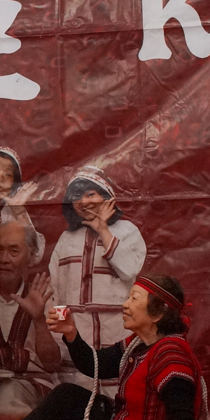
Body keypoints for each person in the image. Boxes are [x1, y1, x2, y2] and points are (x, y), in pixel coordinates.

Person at [0, 274, 210, 420]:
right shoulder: (137, 343)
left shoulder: (171, 356)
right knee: (67, 395)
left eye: (134, 299)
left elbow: (182, 418)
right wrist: (71, 334)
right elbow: (95, 365)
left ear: (158, 313)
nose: (125, 305)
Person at [47, 166, 147, 397]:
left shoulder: (127, 231)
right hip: (77, 328)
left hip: (116, 327)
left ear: (107, 196)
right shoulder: (67, 238)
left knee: (119, 392)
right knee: (78, 395)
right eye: (77, 196)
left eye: (91, 194)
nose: (84, 201)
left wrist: (103, 229)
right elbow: (57, 289)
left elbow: (130, 270)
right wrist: (59, 334)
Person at [0, 220, 61, 419]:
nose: (4, 259)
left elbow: (53, 364)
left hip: (33, 385)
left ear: (31, 257)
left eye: (14, 252)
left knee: (7, 399)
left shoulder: (49, 296)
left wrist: (39, 319)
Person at [0, 146, 44, 256]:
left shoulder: (13, 210)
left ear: (14, 184)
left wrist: (19, 211)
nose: (0, 178)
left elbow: (35, 255)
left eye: (8, 174)